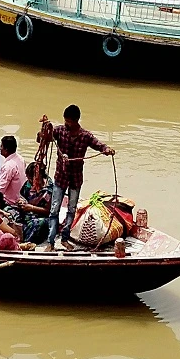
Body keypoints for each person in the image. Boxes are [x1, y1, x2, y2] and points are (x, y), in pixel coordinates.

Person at [43, 104, 114, 250]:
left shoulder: (85, 136)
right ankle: (50, 242)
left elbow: (98, 144)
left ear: (76, 121)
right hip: (60, 177)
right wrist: (45, 131)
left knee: (72, 209)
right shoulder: (59, 131)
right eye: (65, 121)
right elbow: (44, 139)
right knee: (54, 209)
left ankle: (65, 239)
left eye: (68, 121)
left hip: (75, 179)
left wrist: (106, 149)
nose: (66, 124)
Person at [17, 162, 53, 244]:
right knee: (8, 211)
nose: (29, 180)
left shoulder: (49, 190)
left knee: (38, 224)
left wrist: (32, 208)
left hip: (42, 217)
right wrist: (21, 202)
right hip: (27, 212)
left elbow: (49, 211)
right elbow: (22, 196)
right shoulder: (28, 184)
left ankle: (27, 242)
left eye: (30, 178)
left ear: (38, 176)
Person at [0, 135, 26, 208]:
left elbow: (0, 190)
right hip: (21, 197)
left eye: (1, 146)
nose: (0, 148)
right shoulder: (21, 159)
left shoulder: (8, 166)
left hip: (10, 202)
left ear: (6, 149)